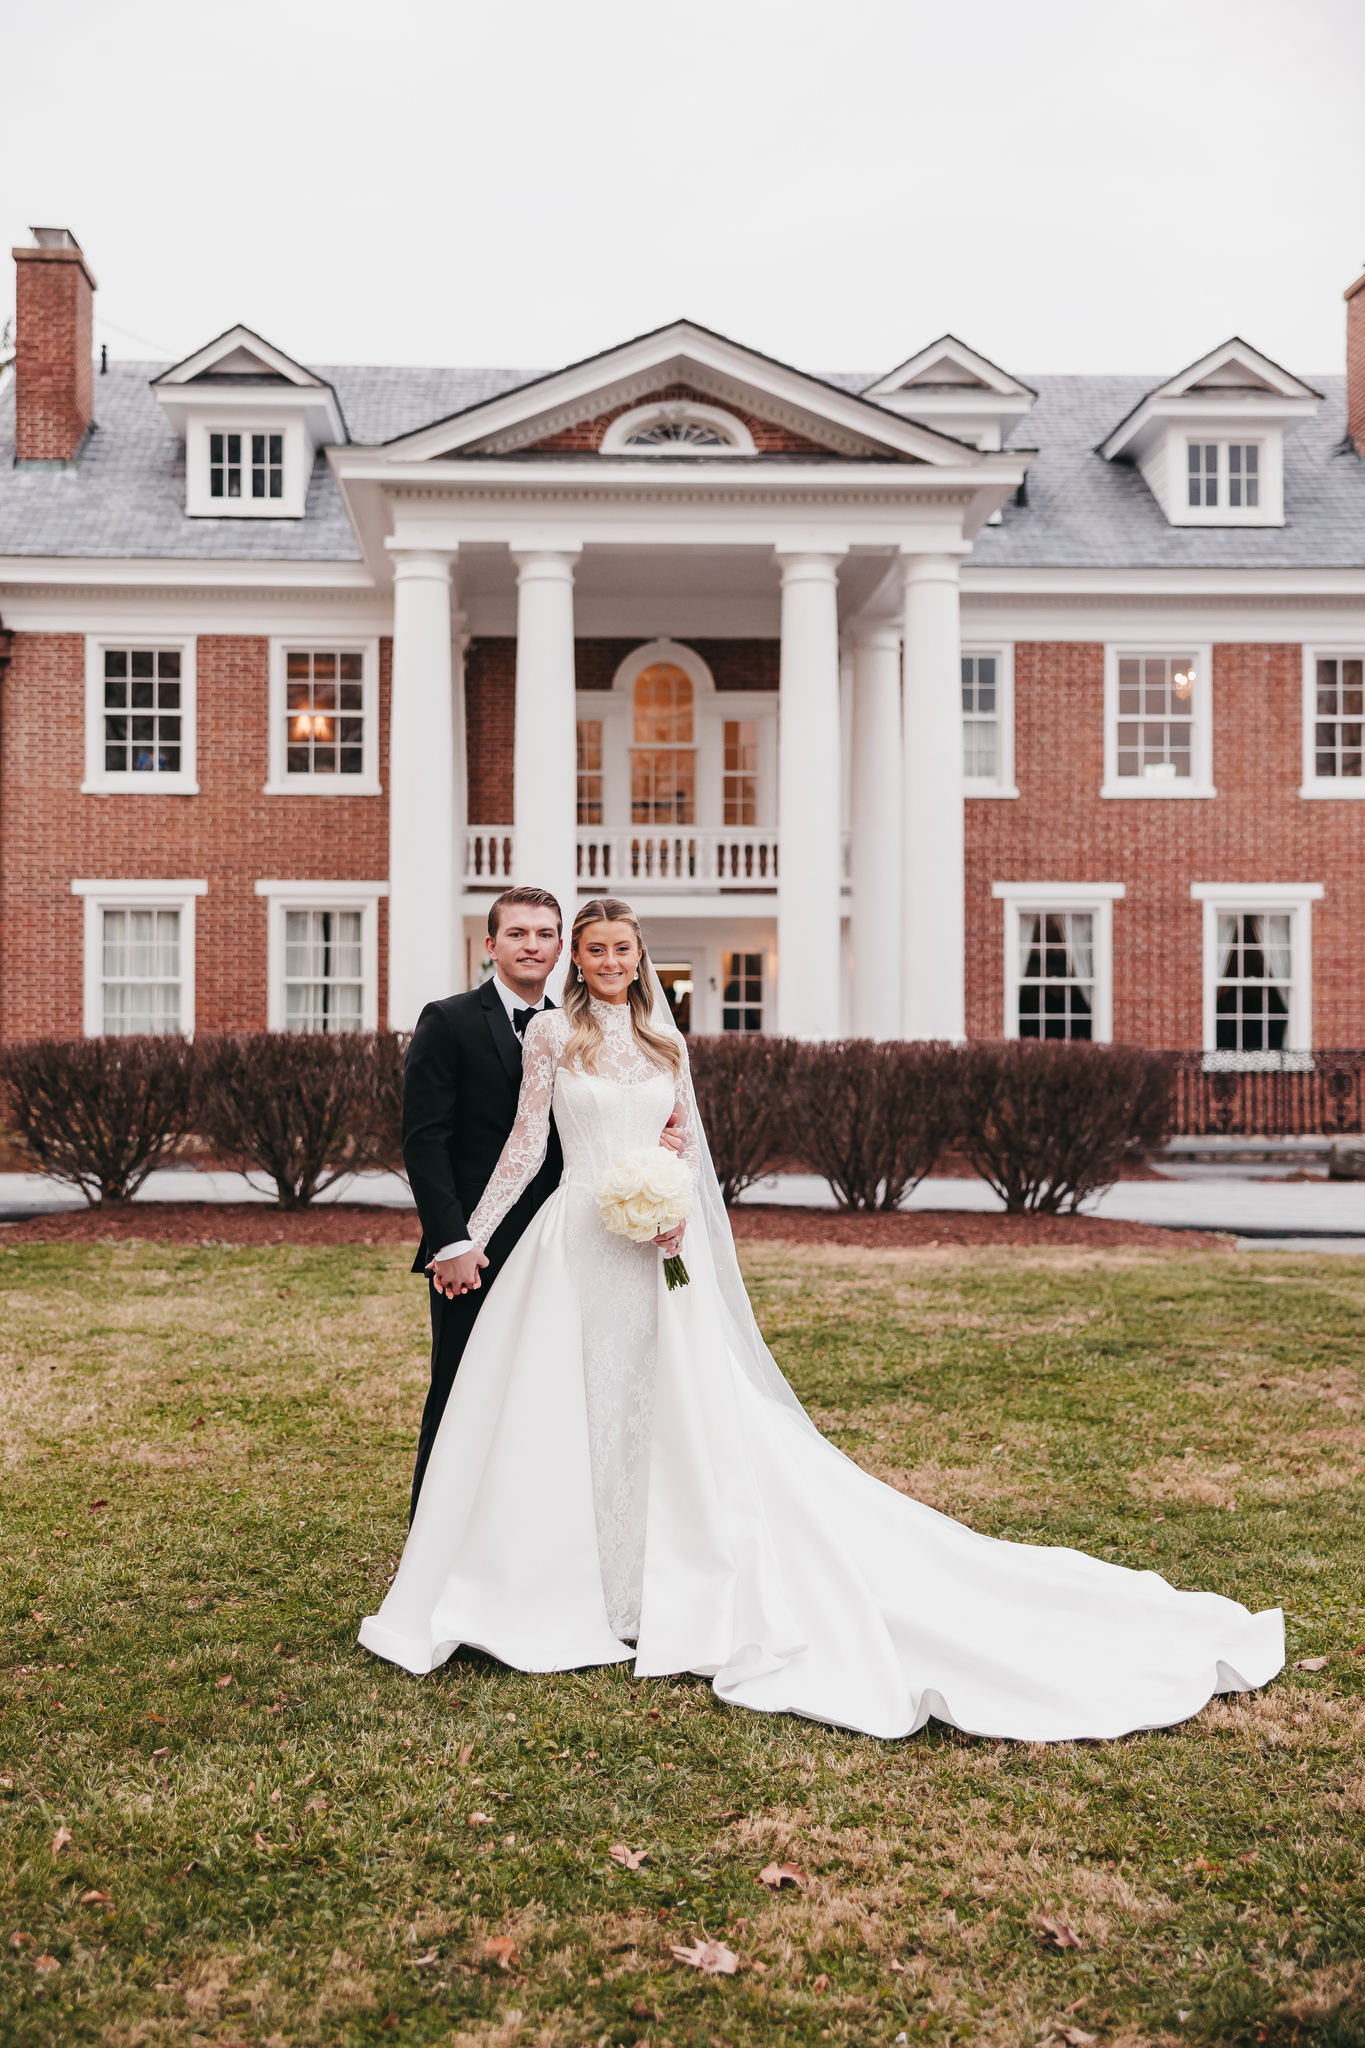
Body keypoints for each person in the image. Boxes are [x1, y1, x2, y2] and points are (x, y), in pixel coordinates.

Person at [363, 897, 1284, 1742]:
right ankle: (556, 1583)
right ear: (574, 960)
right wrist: (467, 1241)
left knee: (665, 1411)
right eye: (593, 949)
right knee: (561, 1411)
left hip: (651, 1248)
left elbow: (684, 1147)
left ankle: (658, 1581)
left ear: (639, 961)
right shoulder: (551, 1037)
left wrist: (672, 1196)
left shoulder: (668, 1044)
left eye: (618, 950)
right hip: (570, 1244)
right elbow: (526, 1151)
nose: (605, 961)